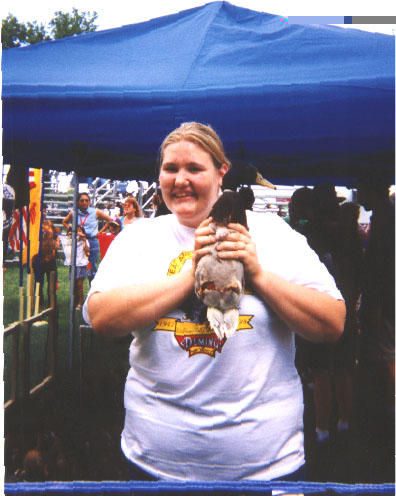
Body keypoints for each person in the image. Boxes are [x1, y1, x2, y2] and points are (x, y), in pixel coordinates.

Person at [83, 122, 345, 484]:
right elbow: (102, 318)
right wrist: (192, 274)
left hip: (272, 467)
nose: (180, 179)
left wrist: (258, 274)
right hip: (155, 466)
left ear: (222, 172)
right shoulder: (139, 237)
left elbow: (332, 323)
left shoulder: (272, 234)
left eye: (194, 168)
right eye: (170, 168)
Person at [62, 192, 111, 282]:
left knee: (91, 268)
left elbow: (110, 220)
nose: (84, 202)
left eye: (86, 200)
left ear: (89, 202)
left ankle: (92, 291)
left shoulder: (95, 212)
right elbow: (64, 221)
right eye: (82, 200)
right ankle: (77, 292)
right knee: (78, 267)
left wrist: (100, 232)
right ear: (77, 202)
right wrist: (72, 230)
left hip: (92, 242)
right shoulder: (74, 213)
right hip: (79, 242)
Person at [31, 204, 61, 307]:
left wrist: (57, 242)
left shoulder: (49, 224)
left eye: (45, 211)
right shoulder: (33, 225)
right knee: (39, 282)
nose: (43, 213)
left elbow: (58, 234)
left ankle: (52, 302)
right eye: (41, 211)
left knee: (51, 281)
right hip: (38, 258)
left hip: (51, 258)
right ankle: (39, 303)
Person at [60, 226, 90, 311]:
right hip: (72, 264)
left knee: (79, 284)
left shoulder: (84, 241)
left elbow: (87, 251)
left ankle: (80, 302)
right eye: (76, 231)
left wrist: (84, 240)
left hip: (80, 264)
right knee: (73, 283)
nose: (78, 233)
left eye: (80, 231)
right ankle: (75, 300)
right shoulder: (70, 240)